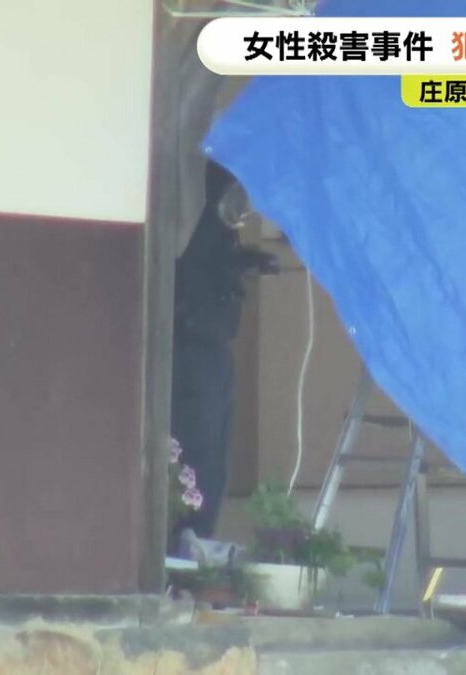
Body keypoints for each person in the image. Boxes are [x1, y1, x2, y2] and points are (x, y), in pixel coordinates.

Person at [171, 160, 276, 547]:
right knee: (199, 453)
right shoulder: (204, 206)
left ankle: (196, 538)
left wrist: (242, 261)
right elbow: (196, 264)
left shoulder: (213, 215)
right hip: (193, 342)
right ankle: (189, 538)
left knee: (212, 452)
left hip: (210, 342)